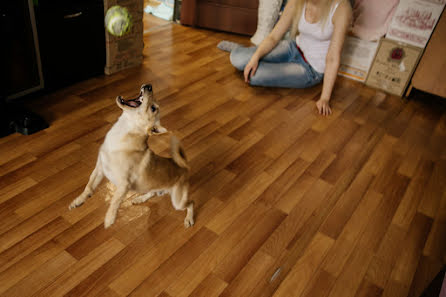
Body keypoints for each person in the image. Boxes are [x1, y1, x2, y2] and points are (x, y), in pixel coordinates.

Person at [226, 0, 352, 116]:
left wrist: (325, 98)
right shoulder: (297, 2)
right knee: (238, 59)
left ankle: (249, 54)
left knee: (254, 76)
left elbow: (333, 58)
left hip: (310, 69)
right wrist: (255, 57)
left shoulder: (341, 8)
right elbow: (274, 37)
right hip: (293, 47)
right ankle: (244, 51)